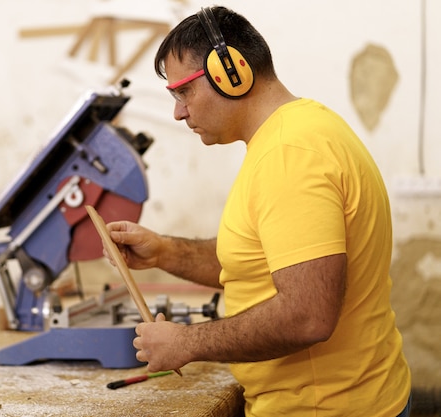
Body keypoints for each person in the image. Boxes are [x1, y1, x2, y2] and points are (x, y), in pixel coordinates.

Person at [103, 6, 411, 417]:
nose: (178, 112)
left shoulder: (290, 156)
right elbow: (268, 261)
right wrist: (163, 252)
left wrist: (186, 343)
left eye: (184, 92)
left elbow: (307, 316)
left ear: (233, 73)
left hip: (326, 408)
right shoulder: (301, 131)